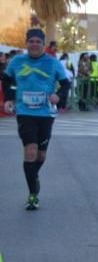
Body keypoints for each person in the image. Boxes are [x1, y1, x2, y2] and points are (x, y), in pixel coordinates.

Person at [1, 28, 71, 210]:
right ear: (26, 43)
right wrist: (9, 98)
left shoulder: (52, 62)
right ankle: (33, 194)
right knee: (30, 152)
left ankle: (33, 176)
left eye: (38, 42)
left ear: (43, 44)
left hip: (46, 114)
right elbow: (6, 79)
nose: (34, 44)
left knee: (41, 154)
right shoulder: (17, 61)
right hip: (24, 112)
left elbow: (65, 83)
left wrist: (59, 96)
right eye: (31, 41)